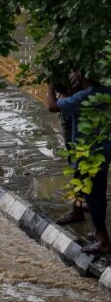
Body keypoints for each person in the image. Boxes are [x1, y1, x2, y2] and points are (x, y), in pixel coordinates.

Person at [47, 74, 111, 253]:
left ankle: (104, 239)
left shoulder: (83, 97)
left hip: (87, 154)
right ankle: (100, 233)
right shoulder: (105, 92)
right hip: (103, 151)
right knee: (97, 192)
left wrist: (50, 85)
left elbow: (51, 106)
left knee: (93, 196)